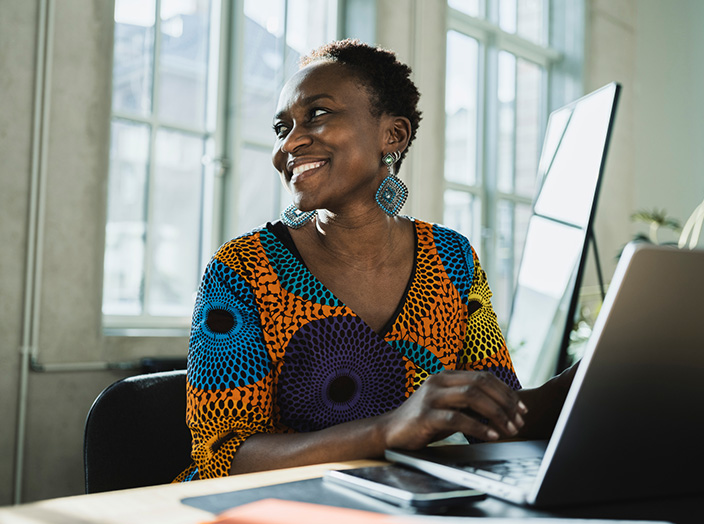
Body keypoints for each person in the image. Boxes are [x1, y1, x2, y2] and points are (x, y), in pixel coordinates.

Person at [175, 39, 576, 482]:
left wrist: (583, 379)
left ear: (393, 135)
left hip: (392, 503)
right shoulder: (243, 268)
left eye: (318, 114)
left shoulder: (451, 258)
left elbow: (496, 422)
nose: (289, 142)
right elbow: (222, 459)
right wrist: (389, 430)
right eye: (281, 127)